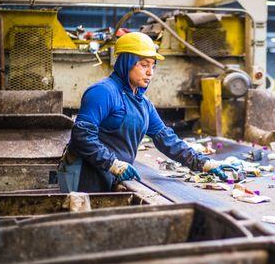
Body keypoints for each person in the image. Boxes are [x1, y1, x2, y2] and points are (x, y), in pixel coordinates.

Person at [58, 32, 235, 193]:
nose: (150, 72)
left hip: (110, 174)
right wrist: (112, 164)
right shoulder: (103, 92)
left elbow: (165, 138)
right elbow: (81, 135)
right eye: (143, 65)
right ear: (126, 63)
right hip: (85, 176)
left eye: (153, 66)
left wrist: (203, 163)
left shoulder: (143, 103)